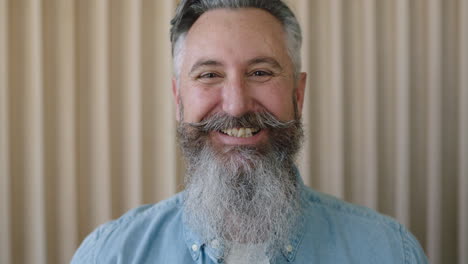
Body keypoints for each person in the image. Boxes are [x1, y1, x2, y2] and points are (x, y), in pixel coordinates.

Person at [72, 0, 428, 263]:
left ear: (298, 95)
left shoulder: (389, 251)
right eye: (209, 74)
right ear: (179, 99)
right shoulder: (111, 254)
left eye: (260, 72)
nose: (236, 105)